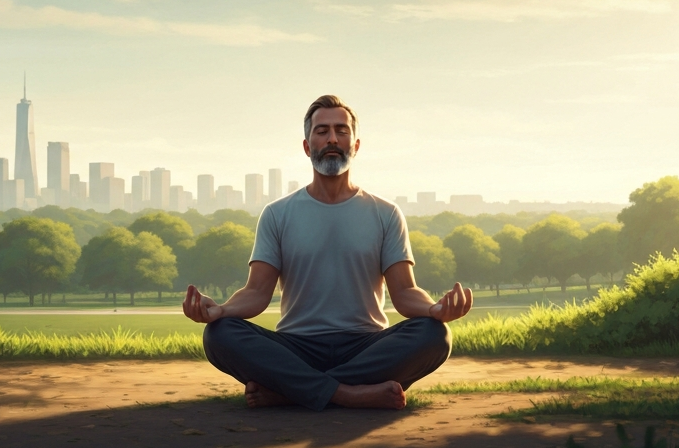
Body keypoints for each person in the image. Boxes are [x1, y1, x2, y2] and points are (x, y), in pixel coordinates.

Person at [183, 94, 471, 410]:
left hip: (366, 345)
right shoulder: (277, 214)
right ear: (307, 146)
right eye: (322, 131)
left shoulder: (386, 213)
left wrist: (434, 310)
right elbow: (256, 292)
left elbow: (404, 293)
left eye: (341, 130)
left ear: (356, 145)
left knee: (434, 335)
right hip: (297, 345)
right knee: (219, 335)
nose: (332, 138)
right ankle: (349, 394)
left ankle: (291, 390)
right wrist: (221, 311)